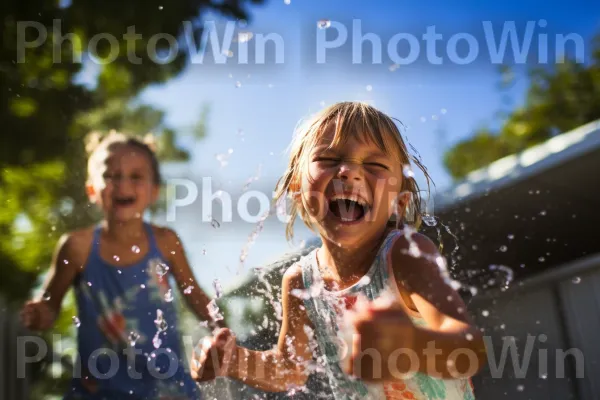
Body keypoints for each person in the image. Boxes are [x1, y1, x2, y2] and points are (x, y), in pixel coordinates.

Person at [190, 102, 487, 399]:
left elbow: (467, 347)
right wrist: (235, 361)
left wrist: (409, 346)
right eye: (328, 159)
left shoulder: (405, 255)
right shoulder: (299, 281)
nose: (348, 172)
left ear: (399, 201)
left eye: (375, 165)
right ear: (297, 188)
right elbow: (290, 369)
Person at [21, 131, 220, 399]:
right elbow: (50, 303)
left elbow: (193, 294)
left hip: (166, 387)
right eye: (110, 176)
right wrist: (40, 313)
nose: (123, 183)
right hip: (98, 391)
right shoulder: (77, 247)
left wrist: (220, 328)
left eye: (136, 176)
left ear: (153, 191)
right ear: (92, 189)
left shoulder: (165, 242)